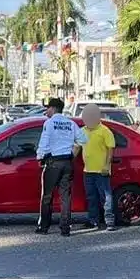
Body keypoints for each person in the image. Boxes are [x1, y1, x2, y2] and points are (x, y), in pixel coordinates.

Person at [36, 97, 88, 237]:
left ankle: (44, 226)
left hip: (53, 163)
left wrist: (40, 157)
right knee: (65, 196)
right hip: (67, 163)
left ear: (53, 109)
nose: (46, 111)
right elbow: (83, 139)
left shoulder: (49, 123)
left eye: (47, 108)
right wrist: (71, 153)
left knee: (47, 196)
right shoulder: (70, 123)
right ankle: (65, 228)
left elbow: (44, 142)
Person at [77, 103, 116, 232]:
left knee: (105, 197)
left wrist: (106, 165)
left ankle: (109, 222)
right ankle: (93, 221)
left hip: (102, 171)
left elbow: (110, 149)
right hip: (87, 171)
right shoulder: (82, 131)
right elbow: (76, 148)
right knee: (91, 196)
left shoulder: (105, 131)